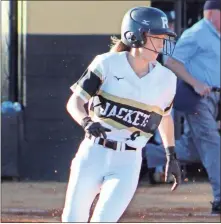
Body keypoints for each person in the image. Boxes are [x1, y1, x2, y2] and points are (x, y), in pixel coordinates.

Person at [61, 6, 182, 223]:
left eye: (164, 38)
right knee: (72, 219)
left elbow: (164, 117)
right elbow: (75, 103)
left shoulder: (167, 79)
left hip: (129, 160)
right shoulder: (106, 63)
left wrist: (170, 155)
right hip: (93, 154)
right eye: (157, 37)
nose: (162, 44)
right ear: (135, 36)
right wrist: (86, 121)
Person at [144, 0, 220, 214]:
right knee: (212, 144)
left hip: (202, 97)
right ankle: (220, 198)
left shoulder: (201, 36)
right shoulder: (192, 35)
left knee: (193, 148)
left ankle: (144, 153)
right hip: (187, 96)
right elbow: (169, 63)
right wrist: (194, 83)